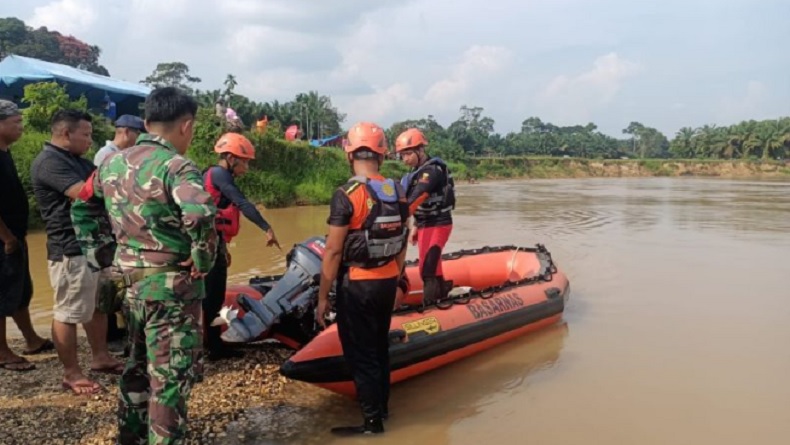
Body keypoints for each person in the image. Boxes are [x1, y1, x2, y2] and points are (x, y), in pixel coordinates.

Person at [72, 86, 218, 444]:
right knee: (169, 381)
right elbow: (199, 214)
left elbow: (82, 206)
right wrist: (202, 258)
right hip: (171, 290)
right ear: (186, 126)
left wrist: (102, 256)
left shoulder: (110, 163)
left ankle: (131, 438)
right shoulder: (177, 166)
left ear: (148, 122)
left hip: (128, 285)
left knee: (136, 369)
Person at [316, 122, 409, 436]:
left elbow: (332, 251)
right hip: (386, 282)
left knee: (361, 353)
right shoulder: (397, 191)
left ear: (349, 154)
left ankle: (372, 422)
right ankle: (383, 408)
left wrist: (322, 297)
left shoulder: (347, 194)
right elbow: (403, 240)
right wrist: (397, 280)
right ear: (382, 155)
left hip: (357, 284)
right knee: (379, 347)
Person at [30, 109, 123, 394]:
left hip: (93, 245)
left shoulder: (76, 161)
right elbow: (86, 192)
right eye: (86, 134)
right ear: (66, 133)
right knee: (68, 312)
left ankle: (100, 357)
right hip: (70, 248)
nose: (90, 140)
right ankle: (71, 373)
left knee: (97, 306)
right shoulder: (49, 163)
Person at [202, 132, 280, 360]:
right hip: (207, 245)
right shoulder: (218, 174)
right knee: (213, 297)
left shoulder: (217, 175)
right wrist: (266, 228)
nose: (246, 165)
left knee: (214, 296)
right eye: (243, 160)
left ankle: (213, 345)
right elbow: (242, 203)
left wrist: (223, 248)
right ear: (229, 157)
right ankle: (214, 348)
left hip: (214, 243)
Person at [0, 100, 54, 372]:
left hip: (15, 234)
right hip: (4, 238)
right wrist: (7, 237)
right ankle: (2, 352)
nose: (21, 128)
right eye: (15, 123)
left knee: (20, 290)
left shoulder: (5, 152)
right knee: (2, 294)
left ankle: (31, 338)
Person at [395, 128, 456, 305]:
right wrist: (415, 225)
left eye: (408, 154)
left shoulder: (432, 171)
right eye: (402, 155)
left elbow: (417, 197)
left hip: (439, 223)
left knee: (427, 269)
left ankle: (429, 306)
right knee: (431, 264)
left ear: (420, 150)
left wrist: (397, 221)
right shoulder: (414, 174)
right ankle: (442, 292)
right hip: (424, 224)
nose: (405, 159)